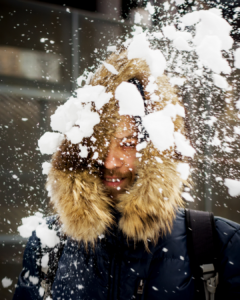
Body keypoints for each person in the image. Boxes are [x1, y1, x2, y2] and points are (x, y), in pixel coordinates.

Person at [13, 48, 240, 300]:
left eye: (128, 143)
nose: (110, 161)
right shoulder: (48, 243)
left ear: (157, 152)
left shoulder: (218, 244)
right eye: (100, 142)